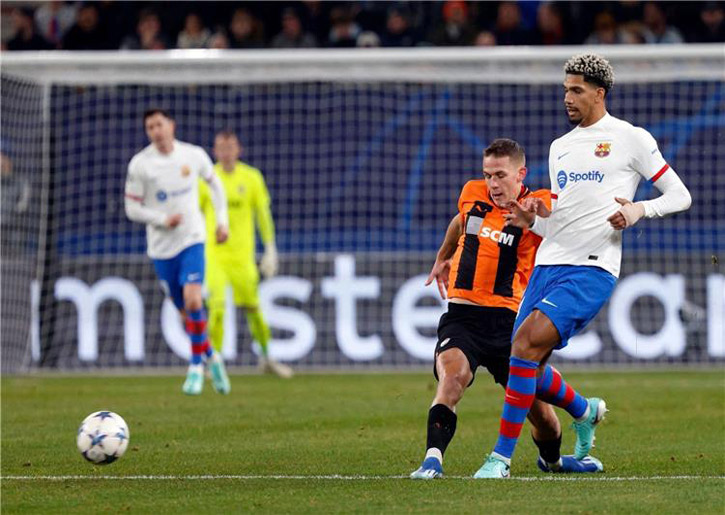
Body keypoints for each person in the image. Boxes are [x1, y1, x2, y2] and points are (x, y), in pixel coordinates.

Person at [474, 54, 692, 478]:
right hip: (548, 264)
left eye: (576, 90)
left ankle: (500, 458)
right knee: (526, 364)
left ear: (599, 93)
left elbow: (680, 195)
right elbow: (562, 218)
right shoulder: (560, 147)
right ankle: (585, 411)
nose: (567, 98)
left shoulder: (631, 138)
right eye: (565, 90)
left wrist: (639, 210)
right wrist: (532, 221)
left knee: (523, 346)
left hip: (592, 267)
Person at [410, 139, 603, 480]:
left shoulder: (537, 203)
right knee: (452, 378)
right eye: (488, 175)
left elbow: (555, 219)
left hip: (510, 324)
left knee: (544, 419)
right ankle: (432, 461)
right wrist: (443, 256)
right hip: (462, 317)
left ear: (520, 174)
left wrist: (536, 214)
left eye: (500, 175)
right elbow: (460, 221)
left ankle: (556, 458)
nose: (493, 184)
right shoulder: (472, 193)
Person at [124, 109, 231, 395]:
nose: (156, 131)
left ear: (171, 125)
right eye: (150, 127)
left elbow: (216, 185)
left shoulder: (193, 155)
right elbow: (131, 208)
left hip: (192, 239)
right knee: (187, 314)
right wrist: (161, 219)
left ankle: (195, 368)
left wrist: (222, 222)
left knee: (194, 300)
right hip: (161, 248)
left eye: (159, 124)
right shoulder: (141, 165)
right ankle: (212, 357)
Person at [199, 131, 293, 378]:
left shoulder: (251, 178)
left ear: (239, 150)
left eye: (230, 147)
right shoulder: (207, 179)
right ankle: (215, 363)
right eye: (221, 148)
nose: (226, 152)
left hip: (243, 258)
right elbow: (194, 215)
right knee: (217, 310)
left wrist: (270, 249)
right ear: (214, 151)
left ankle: (267, 357)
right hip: (215, 257)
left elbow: (263, 215)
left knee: (254, 310)